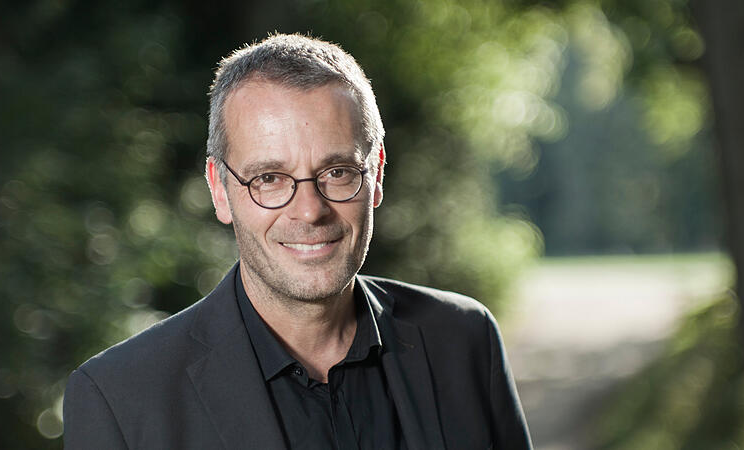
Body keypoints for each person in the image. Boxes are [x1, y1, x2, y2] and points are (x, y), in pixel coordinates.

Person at [63, 33, 532, 450]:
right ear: (219, 190)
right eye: (269, 178)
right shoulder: (119, 400)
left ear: (378, 175)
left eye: (337, 172)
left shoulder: (465, 340)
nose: (309, 210)